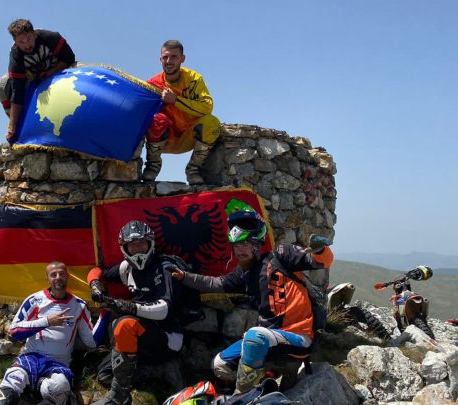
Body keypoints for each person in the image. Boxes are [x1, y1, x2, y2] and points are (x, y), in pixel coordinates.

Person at [168, 210, 334, 393]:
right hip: (268, 340)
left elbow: (321, 261)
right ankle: (265, 383)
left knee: (255, 336)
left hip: (299, 338)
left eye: (245, 244)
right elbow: (214, 283)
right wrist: (184, 276)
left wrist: (320, 249)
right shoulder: (243, 275)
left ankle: (243, 395)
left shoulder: (281, 255)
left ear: (257, 244)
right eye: (236, 245)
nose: (240, 250)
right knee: (220, 365)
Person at [88, 221, 187, 405]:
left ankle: (119, 396)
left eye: (142, 243)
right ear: (125, 248)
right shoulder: (127, 268)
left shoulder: (165, 267)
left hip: (167, 337)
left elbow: (166, 309)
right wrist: (95, 284)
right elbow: (96, 270)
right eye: (132, 245)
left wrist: (132, 307)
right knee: (104, 374)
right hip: (140, 339)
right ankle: (154, 373)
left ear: (151, 243)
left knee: (124, 323)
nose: (138, 249)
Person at [0, 261, 96, 405]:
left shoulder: (79, 305)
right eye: (53, 275)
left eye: (61, 274)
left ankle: (34, 387)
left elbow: (91, 341)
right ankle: (29, 386)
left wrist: (105, 314)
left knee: (60, 387)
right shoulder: (35, 300)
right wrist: (46, 322)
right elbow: (15, 332)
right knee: (6, 393)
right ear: (47, 278)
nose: (58, 277)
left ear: (67, 276)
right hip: (31, 358)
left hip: (59, 363)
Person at [143, 40, 221, 185]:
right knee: (156, 120)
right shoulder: (152, 84)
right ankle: (152, 165)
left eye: (174, 57)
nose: (169, 61)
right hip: (165, 139)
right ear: (160, 60)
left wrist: (176, 100)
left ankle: (194, 170)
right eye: (165, 57)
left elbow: (207, 106)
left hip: (188, 136)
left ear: (182, 59)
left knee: (212, 123)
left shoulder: (194, 79)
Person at [0, 19, 76, 144]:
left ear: (34, 34)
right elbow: (17, 91)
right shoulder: (16, 55)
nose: (27, 45)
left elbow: (69, 58)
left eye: (29, 39)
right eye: (21, 42)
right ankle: (19, 126)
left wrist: (51, 72)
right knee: (1, 87)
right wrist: (12, 126)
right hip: (34, 79)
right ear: (15, 42)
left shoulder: (51, 38)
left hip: (60, 70)